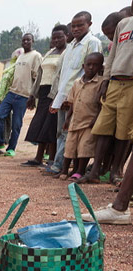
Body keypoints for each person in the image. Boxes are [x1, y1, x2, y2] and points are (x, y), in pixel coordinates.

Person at [76, 4, 132, 187]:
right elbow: (113, 53)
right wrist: (106, 81)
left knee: (124, 131)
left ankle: (116, 171)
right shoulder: (123, 25)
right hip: (115, 81)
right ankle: (94, 172)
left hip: (132, 84)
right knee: (103, 128)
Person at [43, 11, 102, 176]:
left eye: (80, 25)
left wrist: (77, 95)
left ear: (89, 24)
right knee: (62, 130)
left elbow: (92, 69)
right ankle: (60, 164)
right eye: (73, 26)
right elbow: (65, 74)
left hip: (80, 95)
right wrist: (58, 97)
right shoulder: (70, 47)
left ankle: (64, 166)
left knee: (73, 131)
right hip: (64, 95)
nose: (75, 29)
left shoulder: (93, 42)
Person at [0, 33, 42, 157]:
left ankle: (11, 148)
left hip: (24, 95)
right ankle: (0, 142)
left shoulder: (36, 56)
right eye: (24, 40)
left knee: (17, 124)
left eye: (28, 40)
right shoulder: (20, 56)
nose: (26, 42)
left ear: (33, 41)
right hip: (12, 92)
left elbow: (37, 76)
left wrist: (33, 96)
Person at [21, 25, 67, 167]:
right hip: (43, 91)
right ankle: (38, 158)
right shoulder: (49, 53)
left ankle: (52, 159)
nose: (57, 40)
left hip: (56, 92)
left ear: (67, 36)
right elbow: (40, 74)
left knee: (51, 126)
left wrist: (58, 95)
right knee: (40, 124)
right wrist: (32, 95)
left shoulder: (67, 52)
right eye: (54, 37)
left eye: (60, 37)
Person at [58, 53, 105, 179]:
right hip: (74, 121)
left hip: (89, 122)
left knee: (85, 147)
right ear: (83, 66)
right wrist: (67, 119)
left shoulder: (100, 83)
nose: (91, 68)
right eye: (88, 65)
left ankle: (80, 171)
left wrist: (96, 120)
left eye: (95, 65)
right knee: (70, 147)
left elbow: (101, 104)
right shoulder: (77, 82)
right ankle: (64, 170)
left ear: (101, 68)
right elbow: (72, 103)